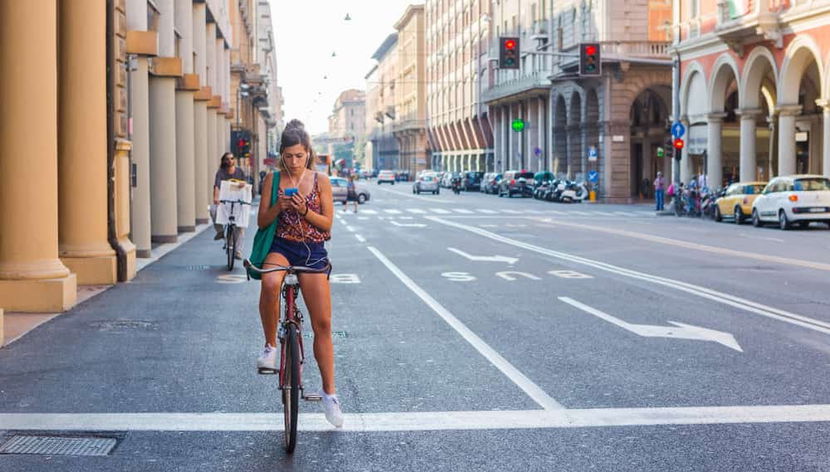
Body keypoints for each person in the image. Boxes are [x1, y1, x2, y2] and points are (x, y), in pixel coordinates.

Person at [256, 119, 343, 427]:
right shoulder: (272, 179)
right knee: (269, 282)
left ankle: (330, 394)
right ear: (282, 155)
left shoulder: (320, 180)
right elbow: (262, 222)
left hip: (313, 250)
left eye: (299, 155)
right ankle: (270, 347)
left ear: (308, 153)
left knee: (322, 322)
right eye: (289, 156)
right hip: (282, 246)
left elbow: (327, 224)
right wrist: (279, 207)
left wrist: (304, 209)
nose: (294, 162)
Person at [211, 153, 247, 259]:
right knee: (213, 210)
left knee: (240, 226)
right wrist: (216, 198)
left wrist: (243, 184)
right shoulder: (220, 172)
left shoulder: (239, 171)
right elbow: (217, 186)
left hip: (238, 200)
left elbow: (245, 184)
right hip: (225, 201)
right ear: (224, 161)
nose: (230, 160)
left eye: (232, 158)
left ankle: (238, 251)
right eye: (227, 159)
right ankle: (220, 232)